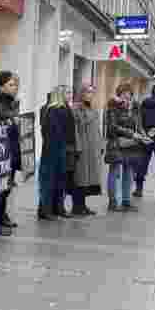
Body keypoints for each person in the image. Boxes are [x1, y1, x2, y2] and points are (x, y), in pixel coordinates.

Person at [0, 71, 21, 235]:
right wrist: (10, 121)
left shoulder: (13, 103)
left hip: (12, 148)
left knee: (7, 187)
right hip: (0, 150)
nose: (15, 88)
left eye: (16, 85)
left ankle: (2, 215)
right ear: (0, 87)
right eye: (11, 85)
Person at [104, 82, 143, 212]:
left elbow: (138, 125)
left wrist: (144, 136)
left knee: (128, 172)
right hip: (116, 143)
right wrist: (131, 133)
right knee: (114, 172)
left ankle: (126, 201)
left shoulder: (134, 107)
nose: (127, 96)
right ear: (119, 94)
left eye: (129, 94)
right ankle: (112, 202)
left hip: (131, 144)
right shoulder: (113, 106)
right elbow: (112, 127)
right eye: (124, 94)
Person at [38, 87, 72, 220]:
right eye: (67, 93)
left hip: (58, 147)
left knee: (59, 179)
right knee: (49, 179)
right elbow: (54, 131)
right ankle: (47, 210)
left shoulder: (61, 109)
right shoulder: (53, 110)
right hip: (53, 148)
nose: (70, 95)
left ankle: (57, 208)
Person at [70, 83, 103, 216]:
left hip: (93, 148)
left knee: (88, 179)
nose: (90, 95)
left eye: (92, 92)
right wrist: (78, 148)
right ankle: (77, 207)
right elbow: (76, 129)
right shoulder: (76, 109)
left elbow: (97, 129)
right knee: (80, 178)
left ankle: (83, 206)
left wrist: (101, 144)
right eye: (88, 92)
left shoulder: (93, 108)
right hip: (82, 148)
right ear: (81, 93)